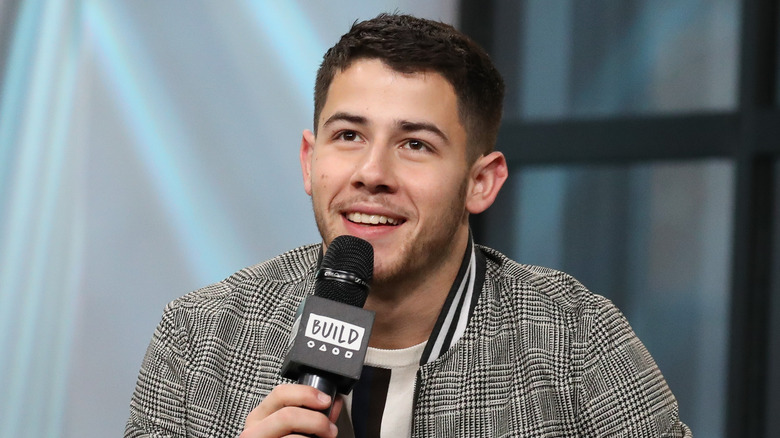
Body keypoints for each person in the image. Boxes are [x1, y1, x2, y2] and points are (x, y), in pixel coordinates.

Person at [125, 13, 691, 438]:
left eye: (415, 144)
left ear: (481, 182)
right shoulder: (200, 338)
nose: (372, 174)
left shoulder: (575, 343)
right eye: (348, 136)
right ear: (309, 159)